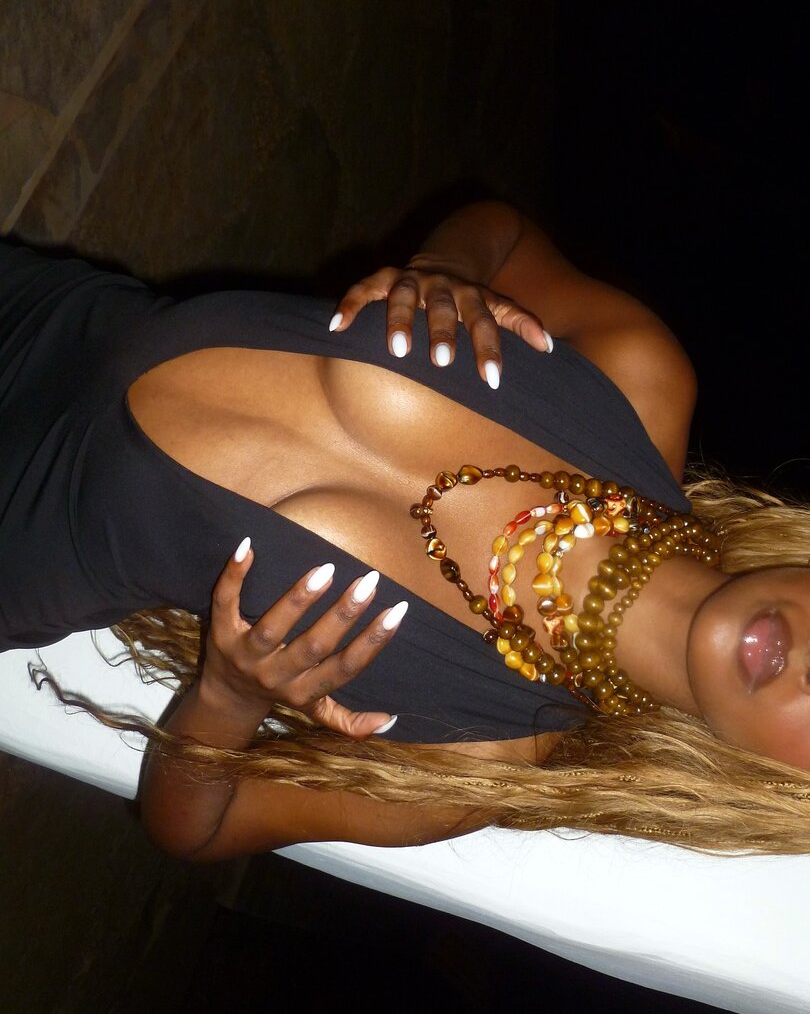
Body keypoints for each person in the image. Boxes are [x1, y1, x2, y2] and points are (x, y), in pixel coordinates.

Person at [2, 201, 809, 860]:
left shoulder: (478, 758)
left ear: (785, 789)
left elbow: (194, 829)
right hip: (56, 307)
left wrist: (229, 696)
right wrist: (447, 267)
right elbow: (504, 232)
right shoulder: (640, 379)